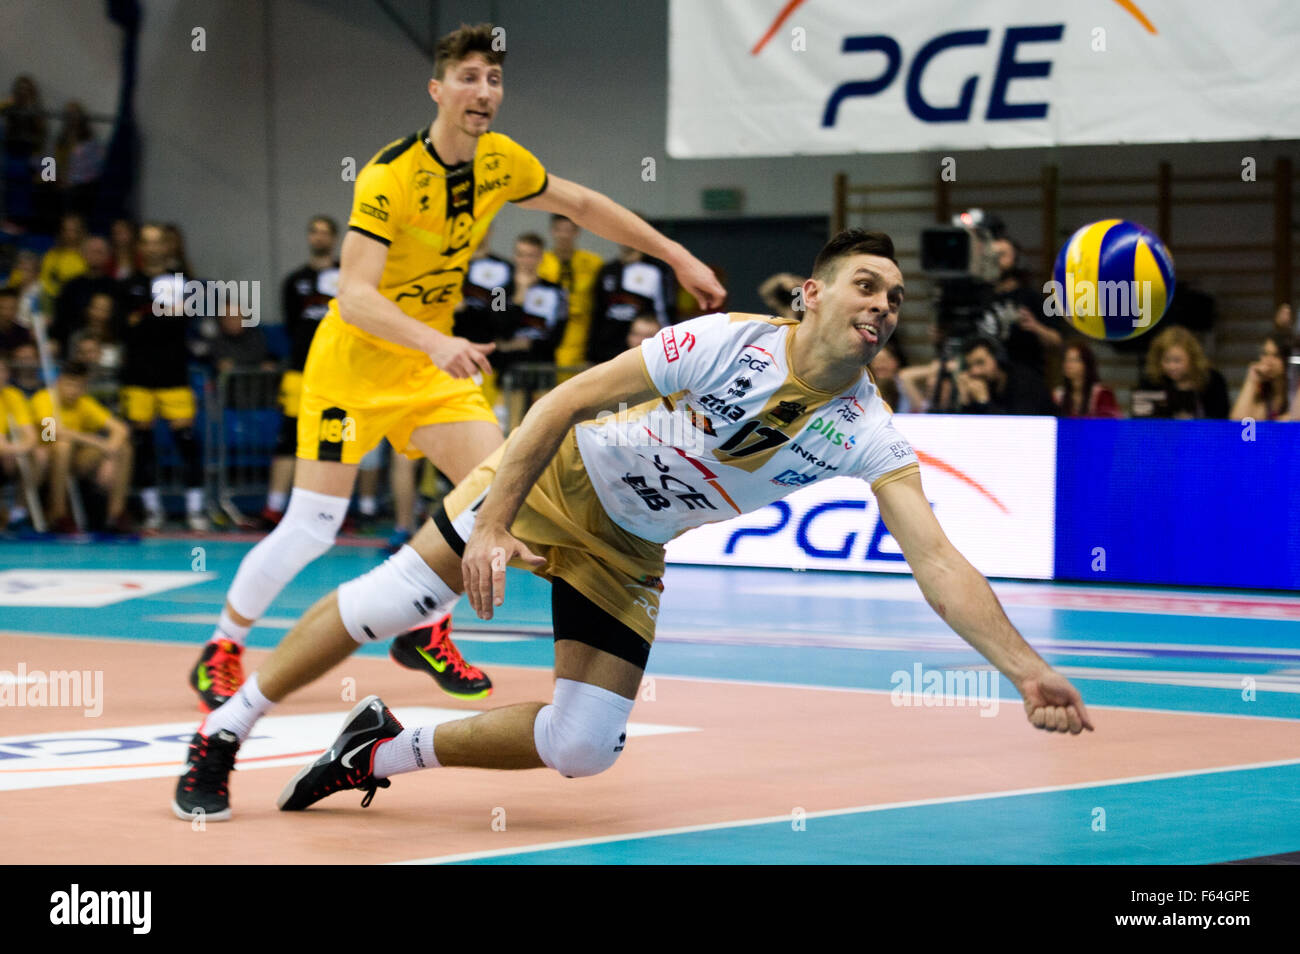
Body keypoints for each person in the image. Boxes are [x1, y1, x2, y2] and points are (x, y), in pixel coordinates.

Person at [171, 228, 1092, 823]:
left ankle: (377, 747)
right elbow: (559, 403)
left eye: (895, 298)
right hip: (558, 481)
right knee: (388, 602)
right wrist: (491, 526)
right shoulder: (727, 340)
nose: (884, 306)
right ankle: (226, 727)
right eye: (866, 285)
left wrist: (1027, 669)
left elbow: (936, 557)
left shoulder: (867, 433)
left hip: (628, 550)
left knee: (582, 747)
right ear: (811, 295)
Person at [186, 22, 724, 716]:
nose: (483, 91)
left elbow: (583, 205)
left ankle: (424, 628)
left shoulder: (500, 161)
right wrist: (434, 341)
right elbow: (352, 295)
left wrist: (675, 255)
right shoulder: (389, 176)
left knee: (503, 493)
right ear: (437, 89)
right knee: (313, 525)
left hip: (432, 369)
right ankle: (224, 646)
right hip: (352, 369)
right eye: (468, 77)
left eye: (494, 79)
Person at [118, 222, 208, 530]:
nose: (153, 247)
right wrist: (164, 315)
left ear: (166, 246)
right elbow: (126, 327)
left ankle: (195, 510)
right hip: (138, 378)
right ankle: (151, 509)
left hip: (174, 376)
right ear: (140, 247)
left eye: (158, 242)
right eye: (147, 241)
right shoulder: (128, 284)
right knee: (142, 445)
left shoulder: (183, 283)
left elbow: (182, 321)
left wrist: (150, 318)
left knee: (187, 443)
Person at [266, 216, 340, 525]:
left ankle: (327, 512)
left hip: (337, 375)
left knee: (332, 443)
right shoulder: (294, 280)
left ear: (334, 238)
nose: (319, 238)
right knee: (290, 439)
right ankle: (274, 507)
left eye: (325, 233)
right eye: (314, 232)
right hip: (300, 371)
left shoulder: (347, 278)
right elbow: (291, 325)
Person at [30, 360, 132, 534]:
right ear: (59, 382)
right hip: (48, 460)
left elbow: (120, 428)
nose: (73, 391)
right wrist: (97, 442)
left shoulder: (84, 402)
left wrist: (111, 448)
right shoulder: (44, 399)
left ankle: (116, 514)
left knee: (124, 448)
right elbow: (51, 434)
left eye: (79, 386)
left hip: (76, 460)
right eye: (69, 384)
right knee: (63, 446)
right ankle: (58, 514)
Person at [587, 244, 677, 365]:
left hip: (644, 350)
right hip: (607, 349)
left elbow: (666, 312)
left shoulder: (657, 270)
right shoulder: (607, 270)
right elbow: (597, 312)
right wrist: (591, 351)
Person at [540, 214, 601, 374]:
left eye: (569, 230)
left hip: (581, 328)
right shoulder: (540, 261)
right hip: (547, 328)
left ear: (577, 232)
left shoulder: (593, 263)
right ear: (552, 231)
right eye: (559, 230)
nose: (564, 235)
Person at [1133, 326, 1228, 419]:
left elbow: (1221, 419)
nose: (1172, 367)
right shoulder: (1150, 383)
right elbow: (1140, 423)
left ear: (1192, 359)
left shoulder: (1212, 380)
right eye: (1166, 360)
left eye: (1177, 360)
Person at [955, 336, 1058, 415]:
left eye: (980, 363)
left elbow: (1016, 432)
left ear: (997, 359)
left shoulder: (1024, 382)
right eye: (970, 366)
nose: (974, 371)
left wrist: (984, 402)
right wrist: (966, 401)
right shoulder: (985, 384)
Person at [1053, 340, 1121, 418]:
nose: (1068, 364)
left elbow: (1110, 425)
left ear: (1087, 364)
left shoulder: (1102, 394)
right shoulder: (1059, 395)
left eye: (1075, 360)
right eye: (1066, 360)